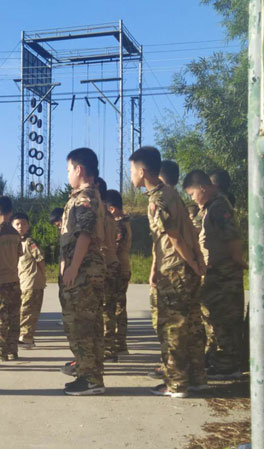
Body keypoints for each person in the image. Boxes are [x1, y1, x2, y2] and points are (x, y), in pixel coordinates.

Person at [129, 147, 206, 397]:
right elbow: (187, 231)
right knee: (192, 323)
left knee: (172, 327)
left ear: (142, 171)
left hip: (174, 270)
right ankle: (196, 378)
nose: (131, 175)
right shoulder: (172, 194)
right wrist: (196, 259)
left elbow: (174, 237)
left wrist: (192, 262)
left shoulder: (157, 201)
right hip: (182, 267)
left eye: (132, 170)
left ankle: (176, 383)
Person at [183, 170, 245, 380]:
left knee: (225, 319)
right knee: (214, 319)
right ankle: (217, 360)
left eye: (192, 194)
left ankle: (228, 365)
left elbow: (232, 238)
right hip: (216, 273)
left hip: (224, 274)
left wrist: (237, 262)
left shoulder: (219, 207)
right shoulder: (210, 207)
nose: (192, 199)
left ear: (203, 188)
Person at [59, 147, 106, 396]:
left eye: (69, 169)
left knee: (81, 325)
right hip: (86, 270)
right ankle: (91, 375)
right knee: (90, 324)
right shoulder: (89, 196)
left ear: (79, 169)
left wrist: (73, 267)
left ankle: (89, 378)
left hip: (84, 272)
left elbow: (85, 234)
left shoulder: (84, 198)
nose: (67, 174)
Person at [0, 196, 22, 362]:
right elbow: (19, 254)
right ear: (11, 213)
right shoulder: (15, 234)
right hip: (14, 279)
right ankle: (12, 350)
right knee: (14, 318)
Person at [12, 212, 46, 349]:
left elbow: (40, 259)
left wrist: (42, 276)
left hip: (32, 282)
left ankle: (26, 338)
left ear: (28, 226)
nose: (21, 226)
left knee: (28, 311)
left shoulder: (29, 242)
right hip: (21, 282)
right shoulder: (14, 242)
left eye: (24, 224)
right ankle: (23, 336)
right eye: (17, 224)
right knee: (22, 310)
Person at [104, 189, 132, 355]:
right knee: (119, 306)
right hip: (123, 267)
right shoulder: (125, 223)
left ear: (112, 209)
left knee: (112, 307)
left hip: (118, 269)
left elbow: (114, 247)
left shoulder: (119, 226)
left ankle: (114, 343)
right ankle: (120, 343)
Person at [96, 177, 120, 361]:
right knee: (109, 308)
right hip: (112, 263)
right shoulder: (109, 216)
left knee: (103, 309)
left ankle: (107, 348)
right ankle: (109, 346)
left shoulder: (100, 215)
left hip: (103, 265)